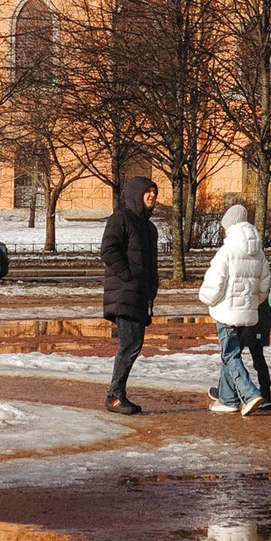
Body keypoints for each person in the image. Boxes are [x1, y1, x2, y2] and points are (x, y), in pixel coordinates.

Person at [197, 202, 271, 415]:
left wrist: (208, 300)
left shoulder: (226, 251)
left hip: (226, 312)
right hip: (248, 312)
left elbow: (214, 284)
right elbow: (266, 283)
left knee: (230, 354)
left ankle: (249, 394)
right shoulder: (259, 252)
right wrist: (253, 302)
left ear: (229, 226)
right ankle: (228, 399)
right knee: (231, 354)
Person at [99, 175, 160, 415]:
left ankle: (117, 394)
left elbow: (150, 263)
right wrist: (129, 276)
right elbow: (108, 250)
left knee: (133, 344)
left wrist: (151, 287)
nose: (152, 196)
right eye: (148, 192)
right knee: (130, 344)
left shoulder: (149, 228)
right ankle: (115, 396)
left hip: (139, 295)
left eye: (155, 192)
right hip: (125, 293)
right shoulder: (121, 219)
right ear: (136, 193)